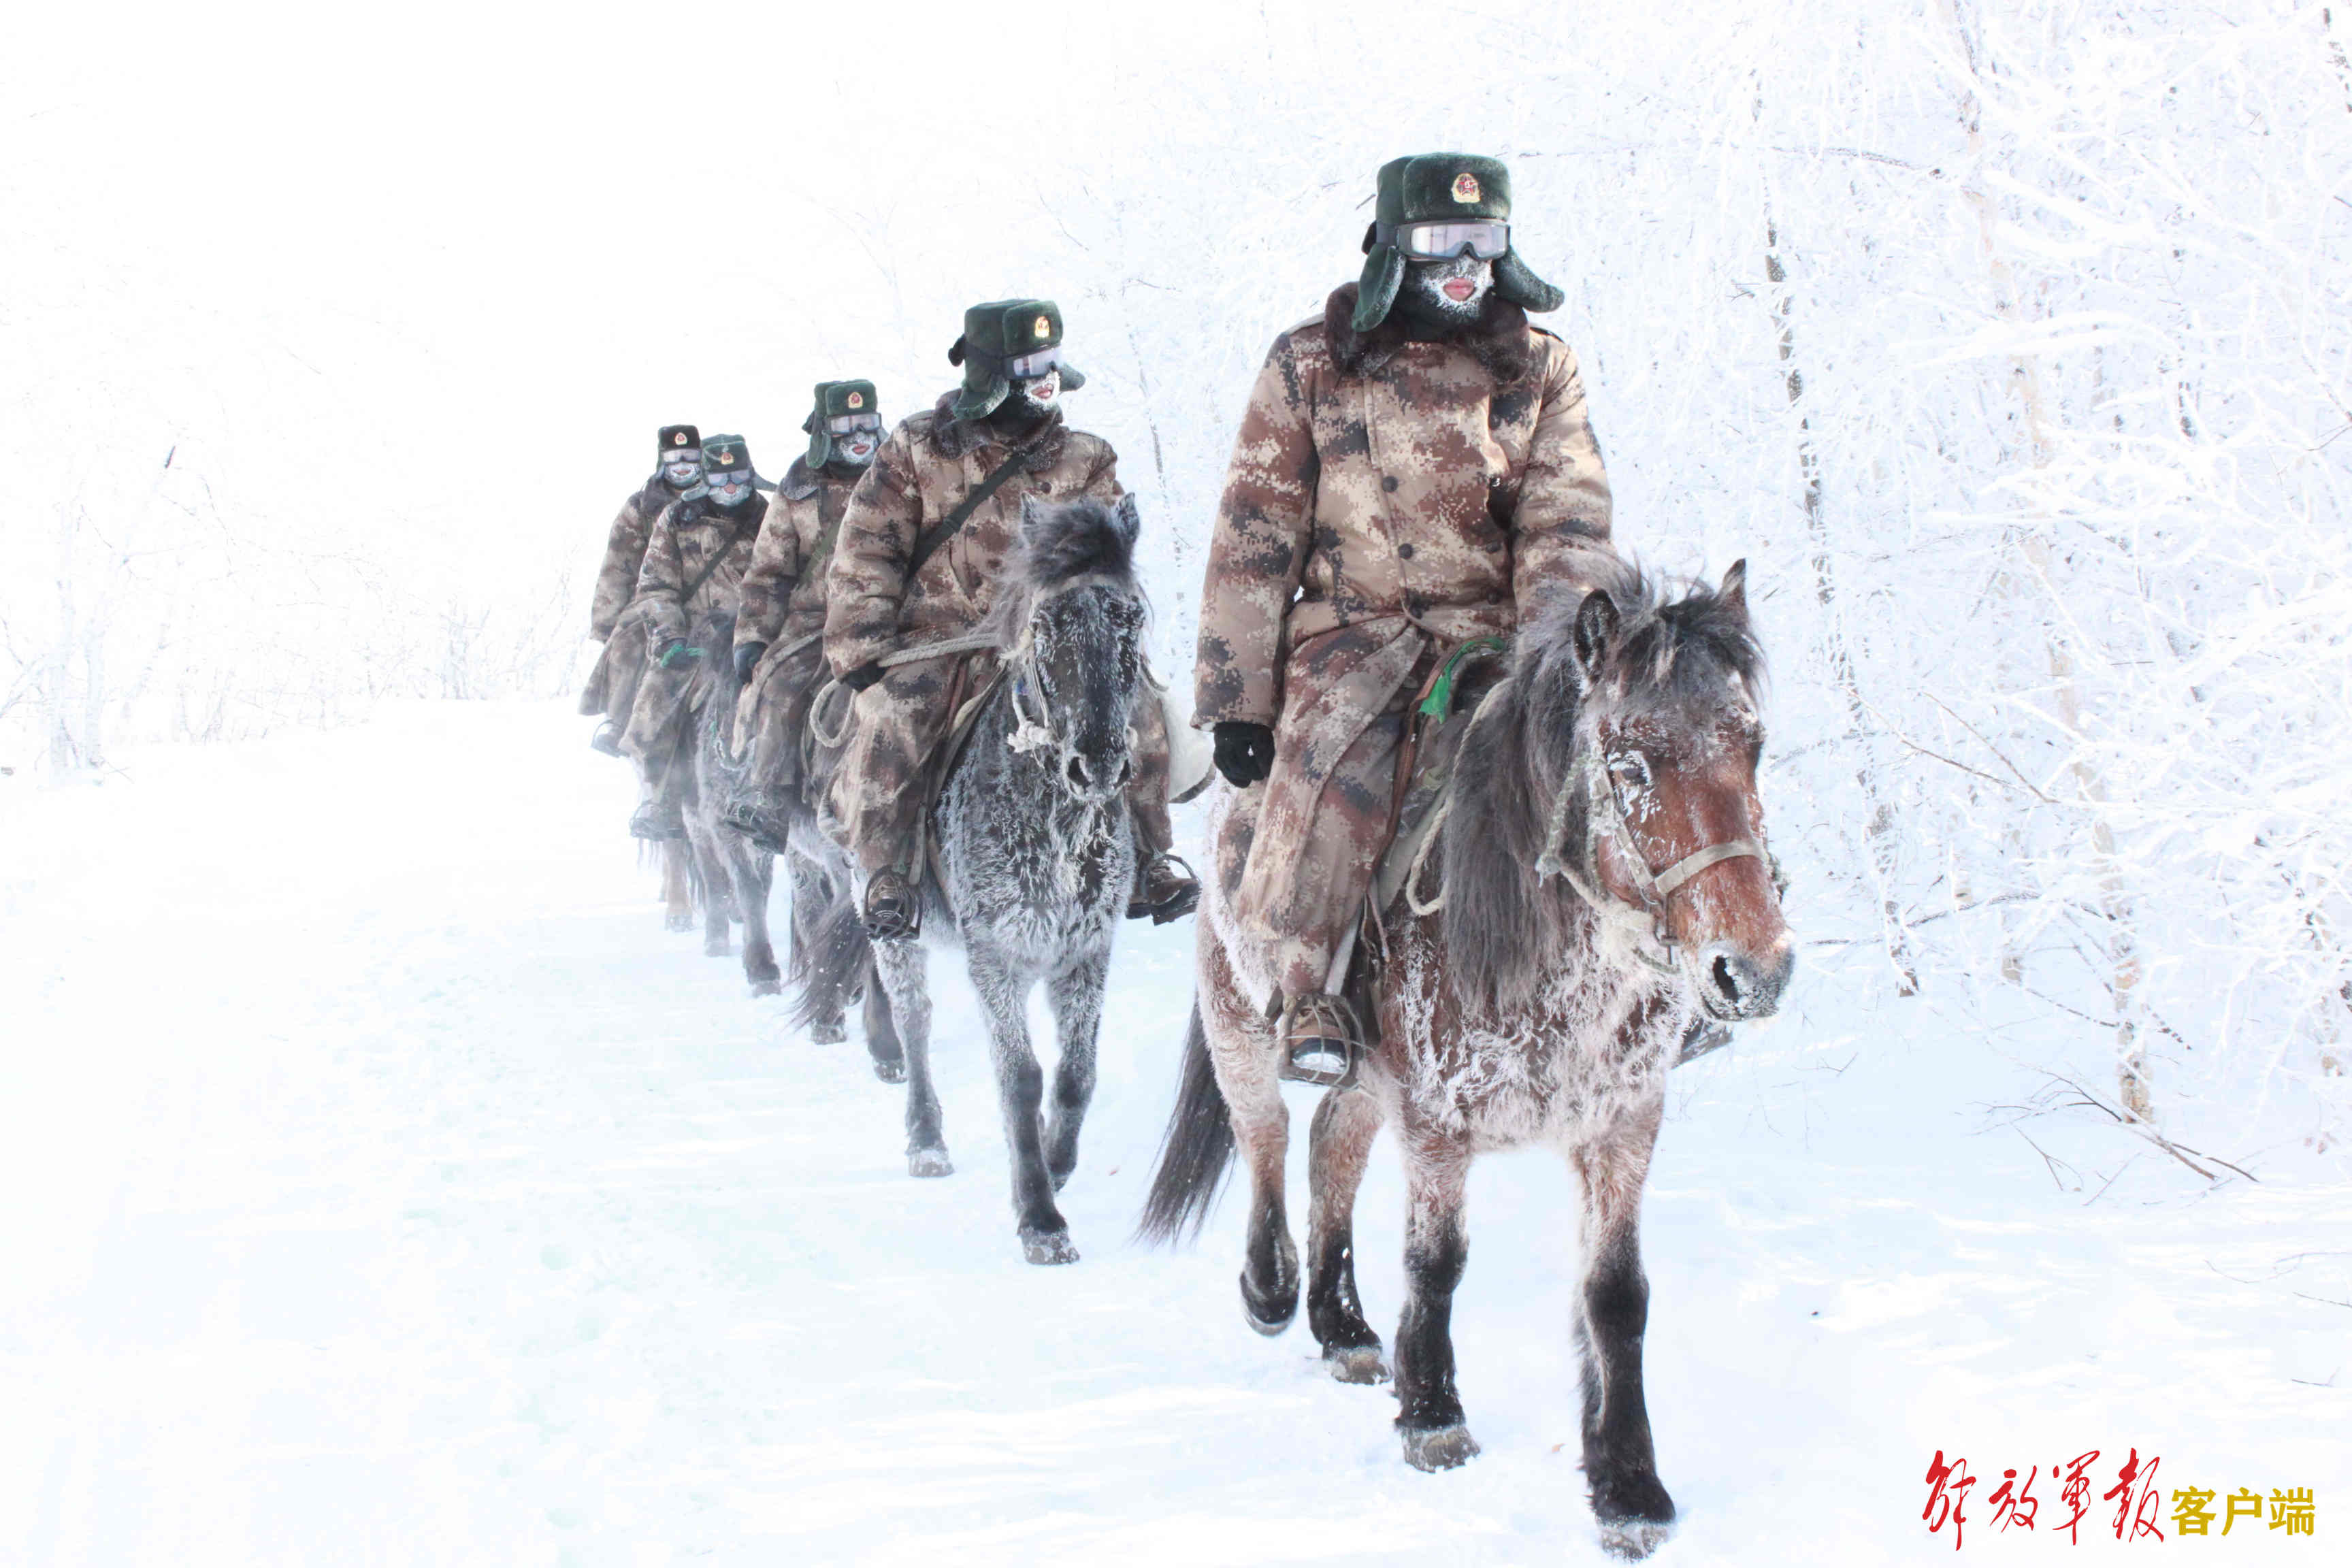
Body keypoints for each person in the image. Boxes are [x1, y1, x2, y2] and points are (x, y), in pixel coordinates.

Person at [1193, 153, 1616, 1083]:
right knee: (1330, 794)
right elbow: (1256, 530)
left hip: (1506, 639)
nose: (1464, 263)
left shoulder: (1543, 368)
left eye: (1483, 241)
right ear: (1391, 246)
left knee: (1620, 772)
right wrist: (1239, 701)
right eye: (1438, 242)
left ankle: (1657, 970)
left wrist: (1552, 658)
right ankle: (1311, 993)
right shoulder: (1310, 364)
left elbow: (1567, 515)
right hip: (1355, 636)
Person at [821, 299, 1199, 938]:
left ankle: (1147, 856)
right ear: (992, 373)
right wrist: (860, 642)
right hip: (942, 642)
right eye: (1031, 365)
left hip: (1059, 639)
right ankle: (888, 872)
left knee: (1139, 714)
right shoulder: (916, 448)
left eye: (1051, 361)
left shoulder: (1087, 456)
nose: (1048, 378)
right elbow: (868, 548)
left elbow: (1107, 557)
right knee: (894, 722)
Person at [726, 380, 884, 844]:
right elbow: (769, 573)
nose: (859, 434)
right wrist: (752, 638)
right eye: (845, 425)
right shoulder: (797, 490)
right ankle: (768, 798)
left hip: (894, 619)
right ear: (823, 430)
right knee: (778, 693)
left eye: (867, 423)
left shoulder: (901, 475)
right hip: (813, 626)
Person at [621, 434, 766, 840]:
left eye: (738, 477)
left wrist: (765, 630)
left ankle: (779, 795)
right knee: (654, 706)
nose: (731, 488)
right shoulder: (675, 519)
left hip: (752, 635)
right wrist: (669, 637)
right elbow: (655, 585)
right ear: (705, 480)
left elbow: (782, 578)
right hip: (694, 639)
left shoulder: (768, 518)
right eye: (721, 479)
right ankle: (660, 798)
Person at [582, 425, 702, 755]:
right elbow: (617, 567)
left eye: (690, 457)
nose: (683, 465)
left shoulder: (718, 500)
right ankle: (619, 721)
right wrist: (607, 627)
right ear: (662, 461)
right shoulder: (641, 508)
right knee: (628, 644)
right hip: (651, 601)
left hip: (708, 600)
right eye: (675, 458)